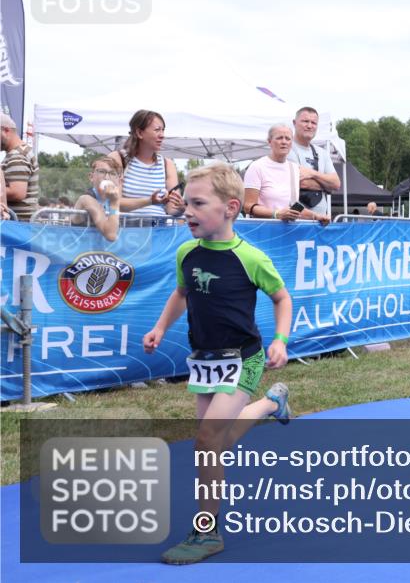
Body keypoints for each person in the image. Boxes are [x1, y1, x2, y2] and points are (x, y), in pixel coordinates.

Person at [143, 163, 292, 565]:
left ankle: (207, 532)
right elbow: (181, 293)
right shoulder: (186, 252)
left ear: (229, 207)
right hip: (206, 361)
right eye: (185, 203)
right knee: (217, 444)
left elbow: (282, 298)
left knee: (207, 442)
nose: (187, 211)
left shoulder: (251, 257)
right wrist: (159, 327)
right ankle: (270, 404)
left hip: (244, 358)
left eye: (197, 203)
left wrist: (280, 340)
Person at [243, 124, 330, 224]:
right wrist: (276, 214)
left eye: (288, 139)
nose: (284, 142)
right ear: (269, 141)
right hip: (264, 230)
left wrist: (317, 216)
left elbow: (294, 208)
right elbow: (248, 206)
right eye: (279, 138)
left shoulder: (294, 168)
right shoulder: (256, 167)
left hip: (287, 231)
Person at [109, 110, 185, 218]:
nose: (162, 135)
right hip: (125, 232)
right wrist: (149, 201)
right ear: (139, 133)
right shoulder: (117, 159)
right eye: (157, 130)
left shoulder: (168, 164)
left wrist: (181, 208)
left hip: (159, 231)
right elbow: (114, 203)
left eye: (163, 130)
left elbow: (171, 209)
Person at [285, 106, 341, 217]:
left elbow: (336, 184)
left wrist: (312, 173)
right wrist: (326, 185)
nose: (310, 126)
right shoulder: (286, 148)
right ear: (294, 123)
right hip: (294, 220)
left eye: (313, 123)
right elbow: (300, 182)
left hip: (320, 222)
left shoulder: (322, 153)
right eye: (305, 121)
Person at [1, 112, 40, 220]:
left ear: (6, 130)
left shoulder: (17, 155)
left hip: (18, 225)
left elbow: (17, 192)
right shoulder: (20, 152)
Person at [74, 157, 123, 242]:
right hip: (80, 249)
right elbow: (111, 236)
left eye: (112, 173)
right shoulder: (86, 199)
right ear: (91, 177)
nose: (107, 177)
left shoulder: (113, 199)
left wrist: (150, 201)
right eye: (102, 172)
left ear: (118, 180)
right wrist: (115, 203)